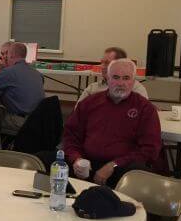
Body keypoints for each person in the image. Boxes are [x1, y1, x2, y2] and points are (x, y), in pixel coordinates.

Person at [62, 58, 161, 187]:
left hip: (123, 168)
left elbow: (150, 150)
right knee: (47, 160)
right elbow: (70, 135)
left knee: (137, 173)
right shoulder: (89, 103)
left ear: (133, 81)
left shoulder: (145, 108)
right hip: (87, 163)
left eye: (126, 78)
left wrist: (114, 165)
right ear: (107, 79)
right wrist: (76, 159)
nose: (121, 83)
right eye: (115, 77)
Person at [0, 42, 45, 134]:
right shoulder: (38, 74)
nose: (4, 57)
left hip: (20, 122)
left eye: (6, 54)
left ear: (11, 55)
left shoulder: (8, 72)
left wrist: (0, 71)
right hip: (38, 121)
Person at [77, 46, 148, 104]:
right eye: (102, 62)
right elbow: (77, 112)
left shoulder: (136, 90)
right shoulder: (92, 89)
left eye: (107, 63)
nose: (102, 66)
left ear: (120, 64)